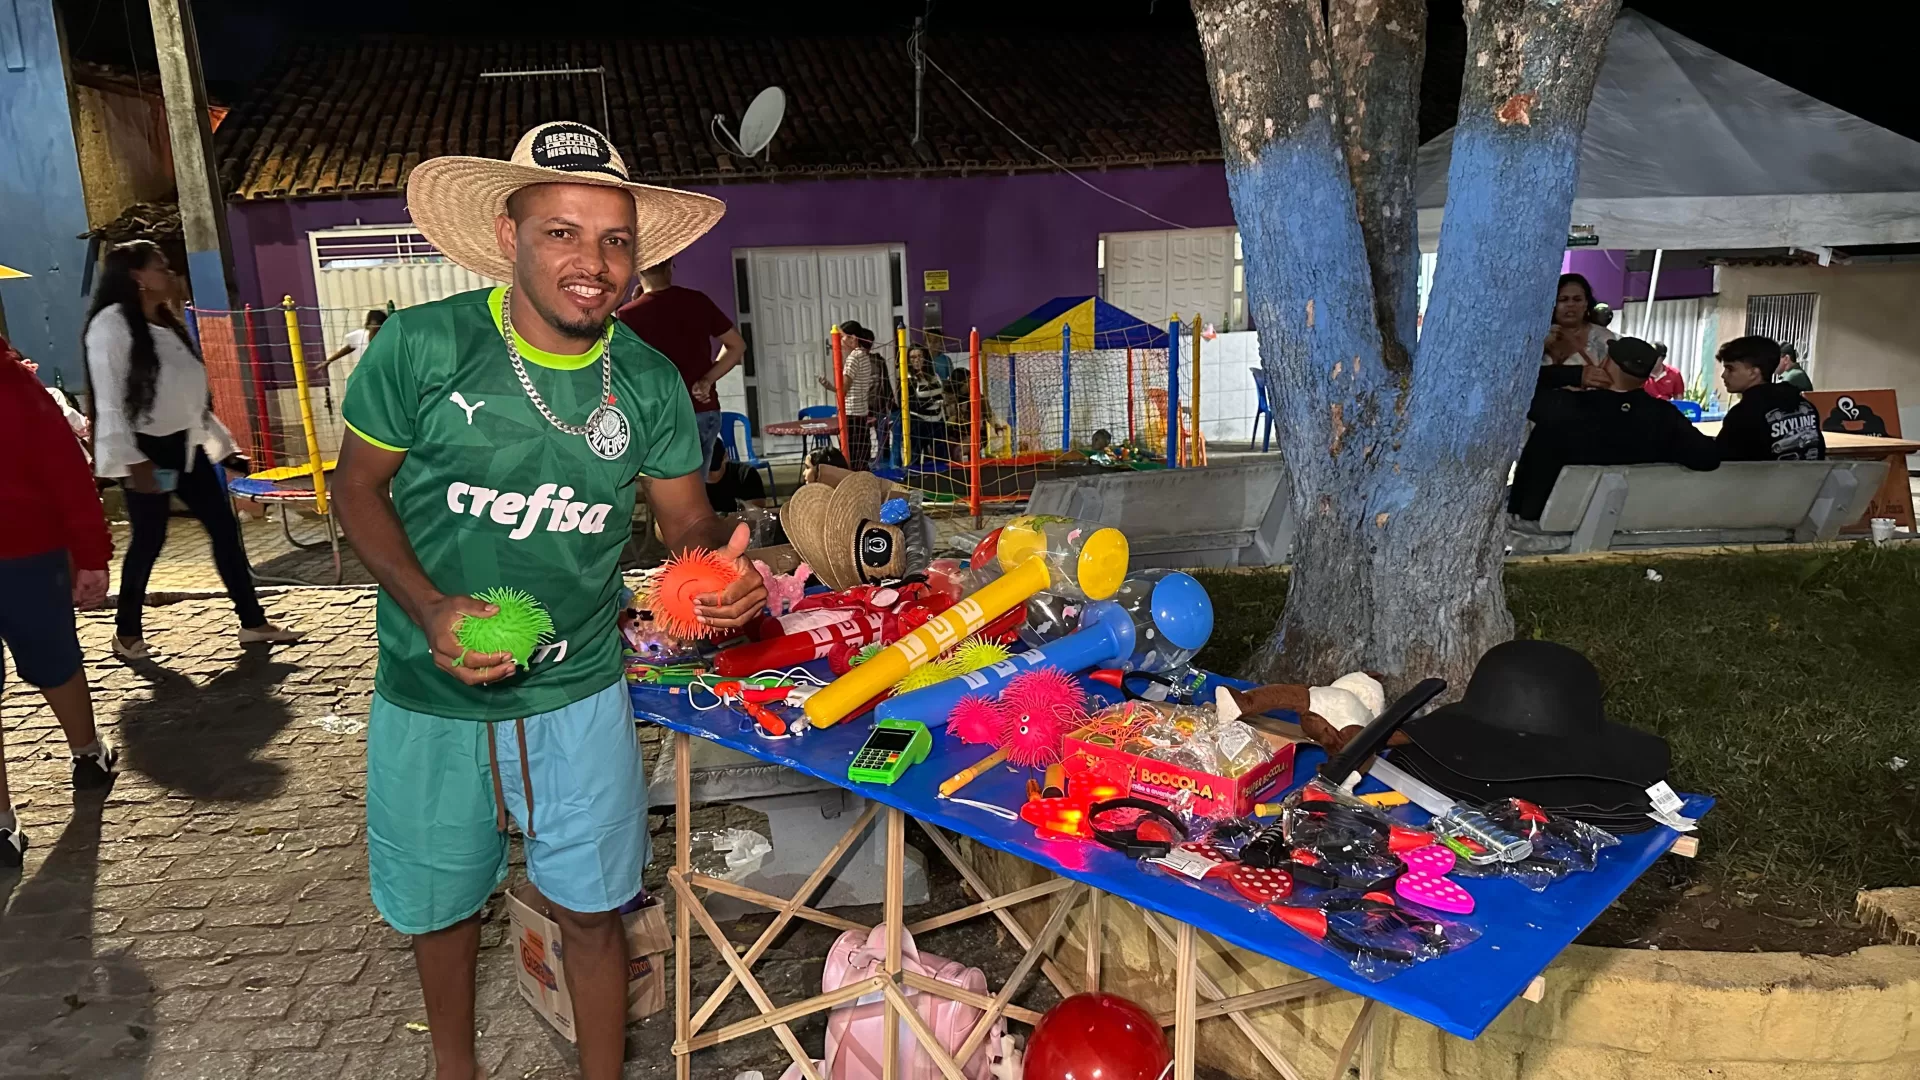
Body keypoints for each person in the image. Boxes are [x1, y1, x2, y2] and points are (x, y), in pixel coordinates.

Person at [331, 120, 768, 1080]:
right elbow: (355, 490)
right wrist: (429, 607)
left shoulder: (647, 380)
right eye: (561, 232)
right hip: (431, 689)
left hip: (580, 690)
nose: (592, 263)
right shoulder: (422, 346)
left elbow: (685, 521)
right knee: (442, 912)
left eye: (615, 239)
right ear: (509, 235)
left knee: (596, 909)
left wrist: (720, 572)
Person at [84, 240, 301, 661]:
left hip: (184, 450)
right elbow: (109, 400)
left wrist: (224, 449)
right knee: (150, 539)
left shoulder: (167, 324)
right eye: (160, 267)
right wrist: (133, 462)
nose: (170, 274)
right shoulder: (110, 326)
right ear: (137, 276)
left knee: (224, 530)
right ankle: (126, 633)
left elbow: (190, 399)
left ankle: (253, 622)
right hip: (146, 454)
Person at [0, 342, 119, 866]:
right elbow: (66, 473)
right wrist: (91, 554)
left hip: (29, 550)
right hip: (27, 552)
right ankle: (87, 754)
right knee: (55, 660)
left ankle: (1, 826)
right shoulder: (14, 385)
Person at [1508, 337, 1720, 520]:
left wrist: (1574, 375)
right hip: (1630, 520)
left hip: (1549, 520)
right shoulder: (1666, 417)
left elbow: (1511, 390)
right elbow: (1707, 458)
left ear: (1607, 363)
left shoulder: (1563, 407)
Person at [617, 257, 747, 457]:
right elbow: (737, 345)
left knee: (665, 478)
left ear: (637, 271)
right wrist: (707, 380)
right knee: (701, 477)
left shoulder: (628, 315)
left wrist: (634, 305)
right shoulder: (698, 301)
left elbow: (626, 368)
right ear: (670, 267)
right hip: (703, 409)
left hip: (660, 416)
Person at [1715, 335, 1826, 461]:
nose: (1723, 375)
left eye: (1730, 369)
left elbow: (1720, 462)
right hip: (1809, 474)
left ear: (1753, 373)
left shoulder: (1743, 414)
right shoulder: (1805, 406)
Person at [817, 320, 881, 469]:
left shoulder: (853, 358)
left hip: (851, 413)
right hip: (862, 412)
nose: (840, 341)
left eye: (842, 337)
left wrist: (832, 388)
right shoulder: (864, 355)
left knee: (851, 457)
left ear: (853, 338)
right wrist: (831, 387)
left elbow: (843, 390)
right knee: (861, 455)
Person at [1540, 273, 1615, 392]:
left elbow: (1614, 383)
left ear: (1586, 304)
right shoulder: (1538, 337)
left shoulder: (1604, 337)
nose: (1570, 305)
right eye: (1563, 299)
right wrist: (1541, 346)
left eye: (1577, 299)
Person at [904, 344, 947, 466]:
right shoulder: (908, 378)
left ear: (925, 357)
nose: (917, 360)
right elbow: (912, 405)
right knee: (916, 458)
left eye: (920, 356)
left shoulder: (934, 376)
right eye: (913, 357)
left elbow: (942, 395)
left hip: (938, 420)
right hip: (919, 422)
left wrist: (937, 400)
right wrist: (935, 400)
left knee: (942, 459)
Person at [325, 308, 388, 385]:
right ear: (368, 325)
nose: (377, 331)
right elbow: (348, 348)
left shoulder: (385, 342)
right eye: (375, 326)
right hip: (363, 377)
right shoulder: (360, 335)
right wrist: (328, 361)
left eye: (380, 327)